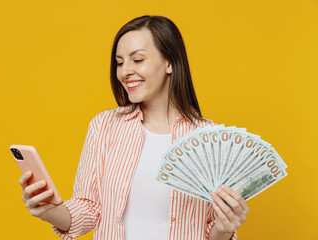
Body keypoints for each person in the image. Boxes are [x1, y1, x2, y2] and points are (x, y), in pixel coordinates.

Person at [19, 15, 249, 240]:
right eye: (120, 62)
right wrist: (52, 212)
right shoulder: (104, 126)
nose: (124, 71)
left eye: (137, 60)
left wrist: (225, 227)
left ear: (169, 63)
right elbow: (88, 208)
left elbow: (213, 231)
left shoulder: (210, 138)